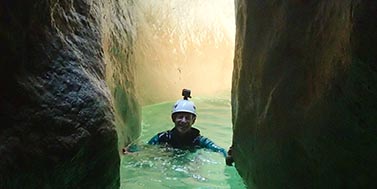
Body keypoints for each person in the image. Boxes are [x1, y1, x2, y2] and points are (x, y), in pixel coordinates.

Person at [148, 89, 228, 158]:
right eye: (180, 117)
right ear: (173, 119)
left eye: (187, 118)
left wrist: (226, 155)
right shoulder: (163, 138)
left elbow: (218, 149)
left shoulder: (198, 140)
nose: (183, 121)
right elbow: (146, 148)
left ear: (193, 121)